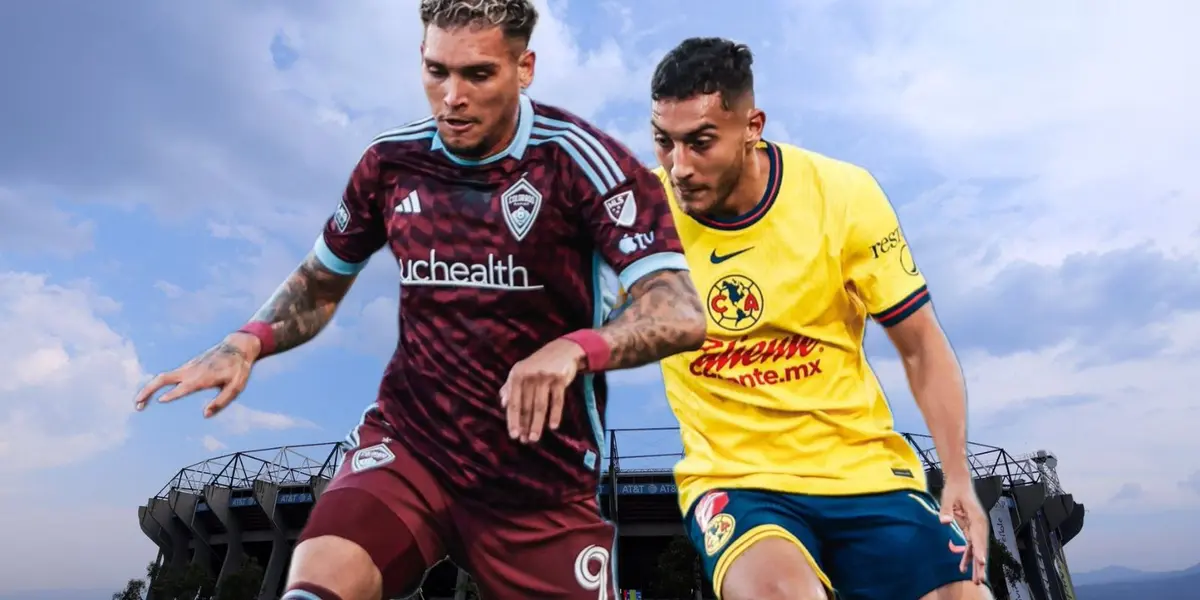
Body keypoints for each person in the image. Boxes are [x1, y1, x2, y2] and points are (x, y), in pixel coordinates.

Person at [133, 2, 708, 599]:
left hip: (538, 478)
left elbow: (679, 309)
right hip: (411, 448)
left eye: (478, 74)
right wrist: (247, 341)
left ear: (525, 67)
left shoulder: (582, 162)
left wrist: (574, 348)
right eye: (438, 71)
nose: (451, 97)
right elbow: (321, 280)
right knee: (319, 580)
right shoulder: (392, 162)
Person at [646, 37, 994, 600]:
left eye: (700, 142)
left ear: (752, 126)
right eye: (664, 142)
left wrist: (955, 472)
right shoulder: (640, 214)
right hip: (737, 479)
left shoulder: (843, 194)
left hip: (865, 472)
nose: (679, 166)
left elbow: (921, 345)